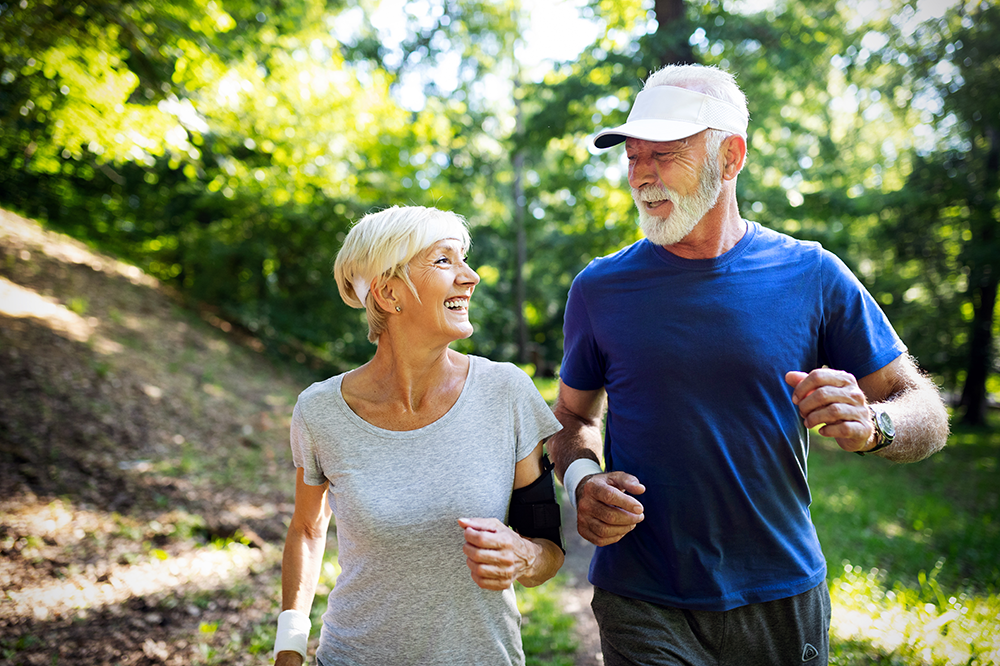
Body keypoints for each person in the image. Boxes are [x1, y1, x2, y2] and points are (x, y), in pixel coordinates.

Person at [548, 64, 950, 666]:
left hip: (781, 595)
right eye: (633, 157)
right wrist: (582, 479)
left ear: (730, 157)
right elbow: (572, 415)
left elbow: (926, 410)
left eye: (663, 155)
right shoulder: (598, 288)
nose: (641, 176)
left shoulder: (813, 274)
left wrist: (877, 425)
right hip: (642, 596)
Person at [273, 205, 565, 666]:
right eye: (444, 260)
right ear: (389, 292)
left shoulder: (506, 392)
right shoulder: (321, 410)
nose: (470, 277)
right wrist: (289, 645)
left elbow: (549, 551)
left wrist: (524, 556)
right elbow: (308, 529)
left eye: (464, 259)